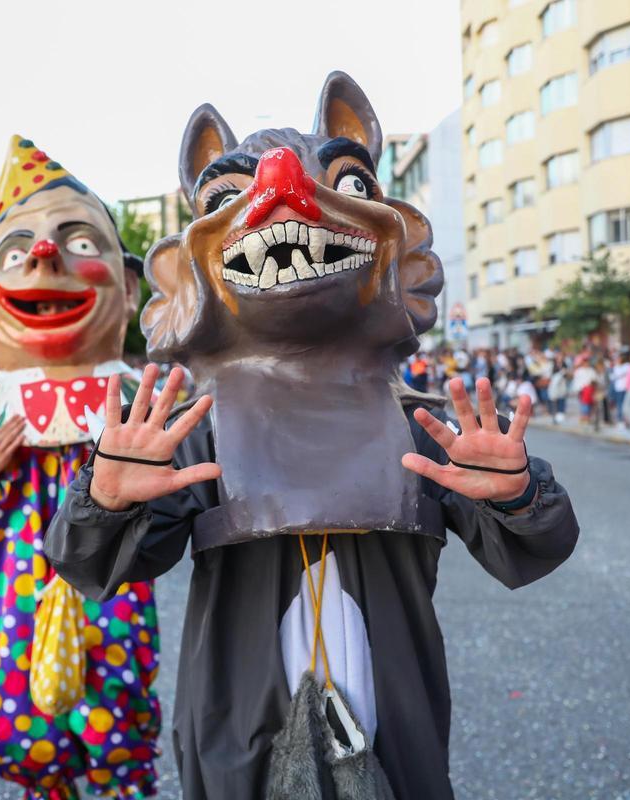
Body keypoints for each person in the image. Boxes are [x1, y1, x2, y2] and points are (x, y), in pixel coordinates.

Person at [49, 76, 578, 799]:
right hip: (240, 723)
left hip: (396, 722)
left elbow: (529, 550)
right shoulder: (196, 428)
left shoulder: (418, 420)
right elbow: (101, 564)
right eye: (222, 199)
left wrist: (518, 496)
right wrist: (102, 502)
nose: (281, 190)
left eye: (349, 181)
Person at [0, 134, 162, 796]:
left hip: (110, 584)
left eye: (82, 244)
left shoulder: (129, 401)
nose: (45, 256)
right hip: (21, 584)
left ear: (127, 289)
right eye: (18, 250)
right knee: (22, 733)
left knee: (116, 717)